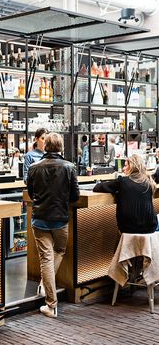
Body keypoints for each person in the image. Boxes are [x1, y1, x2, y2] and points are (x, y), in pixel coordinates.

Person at [27, 132, 80, 318]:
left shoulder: (34, 167)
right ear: (61, 147)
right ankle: (51, 302)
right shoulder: (69, 167)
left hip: (40, 219)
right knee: (59, 251)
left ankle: (47, 293)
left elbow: (31, 192)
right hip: (60, 219)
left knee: (46, 259)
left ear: (46, 145)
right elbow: (75, 196)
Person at [93, 154, 157, 234]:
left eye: (126, 166)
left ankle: (122, 246)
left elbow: (97, 187)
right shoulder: (148, 182)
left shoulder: (122, 181)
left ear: (132, 167)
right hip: (151, 227)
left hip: (128, 228)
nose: (123, 169)